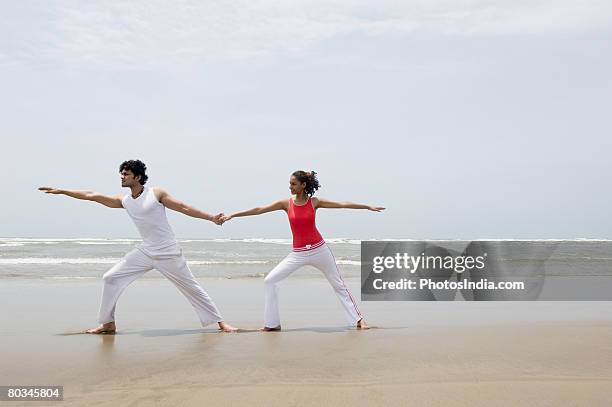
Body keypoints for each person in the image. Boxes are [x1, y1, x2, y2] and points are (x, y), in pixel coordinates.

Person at [39, 159, 237, 334]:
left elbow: (184, 207)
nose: (122, 177)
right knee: (111, 277)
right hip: (146, 251)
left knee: (191, 287)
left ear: (138, 176)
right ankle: (107, 324)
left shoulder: (156, 193)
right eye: (122, 173)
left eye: (126, 174)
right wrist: (64, 191)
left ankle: (221, 323)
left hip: (168, 252)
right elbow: (92, 195)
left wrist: (211, 218)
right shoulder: (124, 201)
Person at [221, 170, 384, 331]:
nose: (290, 187)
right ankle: (272, 324)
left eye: (293, 184)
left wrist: (367, 206)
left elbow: (342, 204)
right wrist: (233, 215)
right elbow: (259, 209)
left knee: (338, 285)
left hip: (320, 250)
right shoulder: (286, 204)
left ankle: (358, 320)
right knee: (270, 280)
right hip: (298, 253)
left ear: (303, 185)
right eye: (289, 184)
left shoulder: (314, 202)